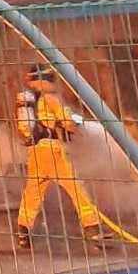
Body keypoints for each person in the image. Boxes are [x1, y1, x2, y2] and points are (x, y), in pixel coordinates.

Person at [15, 65, 102, 250]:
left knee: (32, 193)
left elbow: (24, 130)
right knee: (76, 189)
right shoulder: (50, 98)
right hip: (54, 151)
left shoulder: (27, 103)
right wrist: (75, 124)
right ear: (42, 81)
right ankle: (92, 228)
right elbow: (68, 123)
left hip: (35, 152)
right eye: (49, 78)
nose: (53, 83)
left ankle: (23, 231)